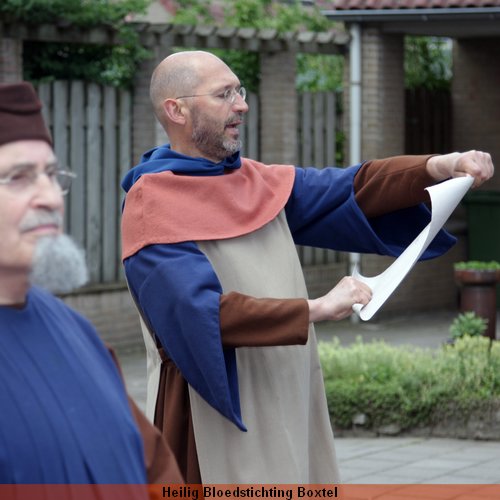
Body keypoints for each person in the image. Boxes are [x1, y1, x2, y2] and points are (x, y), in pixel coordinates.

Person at [120, 50, 494, 484]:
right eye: (224, 95)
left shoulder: (257, 182)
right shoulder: (152, 204)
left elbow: (351, 188)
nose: (242, 104)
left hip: (289, 389)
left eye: (240, 91)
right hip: (210, 405)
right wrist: (315, 309)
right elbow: (196, 311)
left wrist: (439, 166)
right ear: (176, 110)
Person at [0, 81, 184, 487]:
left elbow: (154, 470)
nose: (51, 197)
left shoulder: (77, 331)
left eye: (52, 175)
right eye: (18, 177)